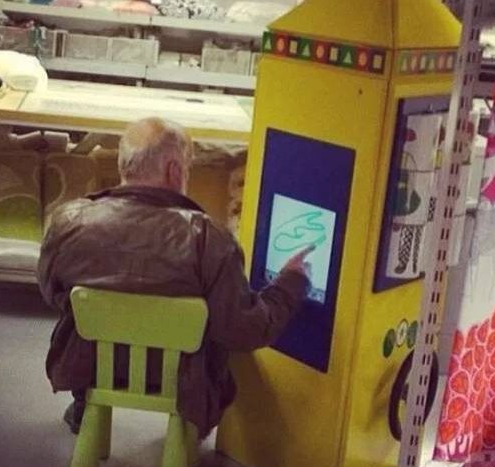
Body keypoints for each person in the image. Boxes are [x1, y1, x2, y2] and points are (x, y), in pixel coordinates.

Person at [38, 117, 313, 438]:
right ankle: (188, 432)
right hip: (183, 380)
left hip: (91, 365)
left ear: (123, 164)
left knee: (80, 322)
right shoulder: (208, 238)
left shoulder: (69, 221)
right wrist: (290, 282)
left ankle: (85, 405)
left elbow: (52, 293)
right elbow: (244, 331)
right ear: (174, 170)